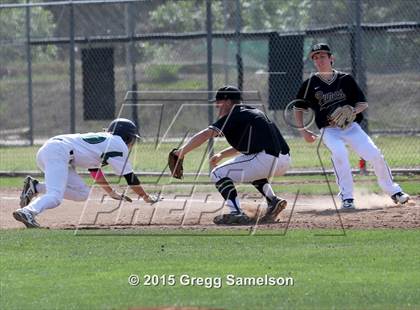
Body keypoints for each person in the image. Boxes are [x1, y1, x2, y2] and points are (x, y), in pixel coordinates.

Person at [294, 43, 410, 209]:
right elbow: (298, 108)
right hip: (329, 130)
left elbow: (363, 103)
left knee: (375, 154)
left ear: (331, 58)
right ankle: (347, 197)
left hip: (351, 127)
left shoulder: (345, 79)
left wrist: (353, 110)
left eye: (322, 56)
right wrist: (302, 130)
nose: (319, 60)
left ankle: (394, 191)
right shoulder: (310, 84)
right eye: (315, 57)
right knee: (340, 153)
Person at [173, 86, 291, 224]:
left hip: (266, 159)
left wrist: (181, 152)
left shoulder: (233, 115)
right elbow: (248, 145)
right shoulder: (252, 112)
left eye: (218, 102)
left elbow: (206, 134)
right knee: (248, 167)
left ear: (228, 102)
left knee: (217, 173)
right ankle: (273, 201)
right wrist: (222, 154)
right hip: (284, 160)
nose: (217, 106)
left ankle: (236, 213)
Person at [13, 118, 159, 228]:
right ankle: (28, 212)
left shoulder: (106, 141)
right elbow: (130, 178)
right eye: (132, 139)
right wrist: (145, 196)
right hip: (59, 152)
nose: (132, 143)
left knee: (83, 193)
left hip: (53, 151)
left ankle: (35, 187)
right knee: (55, 196)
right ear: (128, 137)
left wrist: (110, 192)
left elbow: (94, 169)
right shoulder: (119, 144)